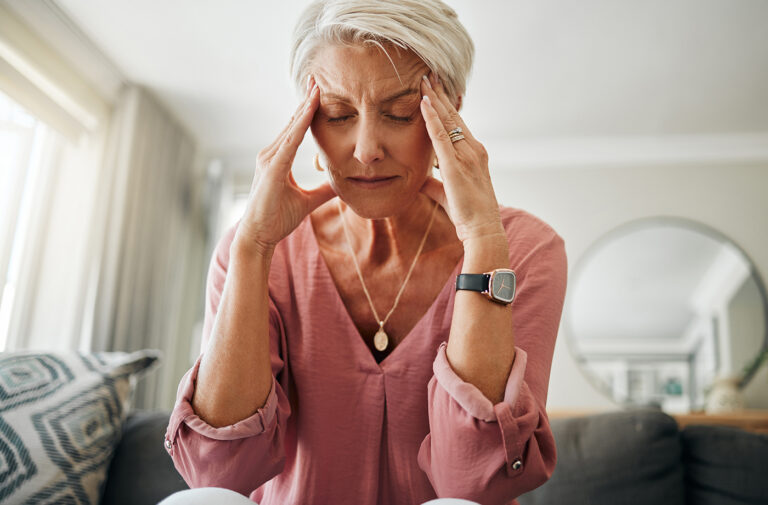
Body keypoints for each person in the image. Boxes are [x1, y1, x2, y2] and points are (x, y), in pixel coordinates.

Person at [162, 1, 568, 504]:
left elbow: (474, 481)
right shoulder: (264, 251)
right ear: (308, 120)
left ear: (451, 113)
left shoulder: (524, 248)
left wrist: (483, 238)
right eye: (338, 115)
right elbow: (217, 472)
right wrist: (253, 247)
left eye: (399, 113)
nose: (365, 149)